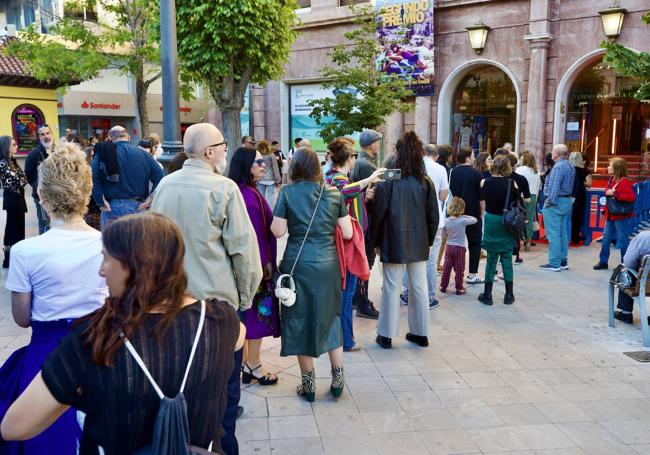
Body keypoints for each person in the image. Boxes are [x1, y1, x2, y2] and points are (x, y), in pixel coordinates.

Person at [1, 213, 245, 454]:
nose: (101, 271)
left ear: (131, 267)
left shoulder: (94, 340)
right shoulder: (220, 320)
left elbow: (14, 427)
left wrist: (80, 390)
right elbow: (239, 340)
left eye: (106, 259)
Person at [150, 123, 262, 454]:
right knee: (224, 396)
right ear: (209, 151)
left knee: (179, 385)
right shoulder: (224, 188)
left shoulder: (165, 186)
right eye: (223, 145)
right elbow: (245, 253)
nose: (227, 150)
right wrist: (243, 300)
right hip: (216, 308)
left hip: (170, 306)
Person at [0, 144, 108, 454]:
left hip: (47, 354)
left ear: (43, 198)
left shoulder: (25, 251)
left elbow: (22, 318)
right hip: (100, 351)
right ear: (86, 194)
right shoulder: (109, 243)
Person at [271, 146, 353, 401]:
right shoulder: (333, 193)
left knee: (298, 320)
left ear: (294, 167)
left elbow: (278, 231)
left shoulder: (287, 193)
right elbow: (348, 233)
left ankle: (308, 386)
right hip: (328, 264)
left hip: (298, 264)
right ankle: (338, 379)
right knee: (331, 317)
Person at [372, 131, 438, 349]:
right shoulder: (425, 181)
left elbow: (379, 211)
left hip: (392, 240)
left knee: (391, 287)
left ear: (399, 154)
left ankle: (387, 335)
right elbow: (433, 215)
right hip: (419, 241)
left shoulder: (390, 180)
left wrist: (375, 240)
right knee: (419, 286)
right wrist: (428, 240)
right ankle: (421, 333)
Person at [324, 137, 384, 351]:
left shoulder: (334, 176)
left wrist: (363, 194)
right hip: (347, 241)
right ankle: (346, 341)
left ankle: (343, 338)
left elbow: (348, 196)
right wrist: (368, 180)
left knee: (347, 292)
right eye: (353, 156)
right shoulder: (338, 179)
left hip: (344, 239)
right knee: (347, 292)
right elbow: (343, 193)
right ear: (349, 158)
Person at [228, 147, 280, 386]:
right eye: (258, 162)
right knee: (257, 316)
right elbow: (255, 236)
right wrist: (266, 262)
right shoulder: (248, 196)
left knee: (248, 316)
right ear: (246, 165)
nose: (263, 165)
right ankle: (254, 365)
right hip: (256, 269)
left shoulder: (246, 191)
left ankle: (247, 364)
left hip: (249, 267)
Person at [401, 143, 449, 308]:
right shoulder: (440, 169)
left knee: (409, 256)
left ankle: (407, 294)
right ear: (436, 156)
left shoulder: (412, 167)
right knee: (430, 260)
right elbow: (443, 196)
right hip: (433, 219)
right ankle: (428, 297)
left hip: (411, 218)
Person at [91, 125, 163, 228]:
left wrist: (100, 200)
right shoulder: (144, 154)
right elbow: (159, 175)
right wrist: (151, 198)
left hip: (111, 206)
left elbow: (94, 175)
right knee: (136, 242)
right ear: (128, 137)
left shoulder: (103, 153)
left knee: (110, 242)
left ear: (110, 138)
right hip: (137, 205)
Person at [350, 128, 384, 319]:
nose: (378, 145)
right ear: (372, 145)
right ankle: (362, 302)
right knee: (366, 262)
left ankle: (358, 299)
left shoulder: (362, 162)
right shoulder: (366, 165)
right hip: (366, 220)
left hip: (363, 218)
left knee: (364, 261)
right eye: (377, 142)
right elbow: (373, 194)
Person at [478, 155, 520, 305]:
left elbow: (482, 205)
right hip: (506, 222)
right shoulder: (512, 183)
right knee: (507, 259)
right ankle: (509, 295)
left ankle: (487, 295)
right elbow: (518, 203)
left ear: (493, 165)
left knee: (491, 259)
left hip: (491, 221)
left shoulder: (485, 182)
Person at [449, 148, 484, 284]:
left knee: (457, 243)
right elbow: (481, 197)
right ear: (468, 158)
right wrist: (482, 212)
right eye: (473, 155)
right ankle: (472, 274)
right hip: (473, 214)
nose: (474, 158)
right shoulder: (477, 174)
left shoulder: (453, 172)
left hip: (456, 213)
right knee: (475, 244)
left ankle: (458, 273)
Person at [593, 157, 636, 270]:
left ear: (616, 168)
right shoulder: (612, 179)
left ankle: (626, 263)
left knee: (622, 239)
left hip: (620, 216)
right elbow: (609, 193)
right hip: (612, 213)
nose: (608, 167)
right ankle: (603, 261)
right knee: (606, 238)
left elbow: (631, 197)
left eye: (610, 165)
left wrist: (615, 193)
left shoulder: (624, 182)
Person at [540, 144, 575, 272]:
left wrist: (549, 203)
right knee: (562, 233)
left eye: (553, 151)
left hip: (556, 202)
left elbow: (554, 189)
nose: (551, 152)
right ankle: (562, 261)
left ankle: (554, 262)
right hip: (566, 201)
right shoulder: (570, 165)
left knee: (553, 234)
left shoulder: (558, 167)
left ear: (558, 153)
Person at [440, 197, 477, 295]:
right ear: (462, 208)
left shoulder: (446, 221)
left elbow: (443, 235)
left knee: (446, 268)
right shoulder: (462, 220)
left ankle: (443, 286)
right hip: (460, 248)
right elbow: (475, 220)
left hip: (449, 247)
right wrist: (464, 216)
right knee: (459, 269)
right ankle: (459, 288)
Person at [0, 136, 28, 268]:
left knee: (19, 229)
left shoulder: (13, 161)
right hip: (12, 200)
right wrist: (21, 179)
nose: (17, 146)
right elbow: (20, 181)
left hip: (18, 199)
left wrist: (21, 179)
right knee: (12, 229)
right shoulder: (3, 163)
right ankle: (9, 259)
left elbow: (24, 179)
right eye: (14, 144)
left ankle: (17, 257)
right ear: (7, 147)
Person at [499, 151, 530, 265]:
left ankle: (501, 256)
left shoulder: (498, 178)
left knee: (501, 233)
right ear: (514, 165)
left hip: (500, 208)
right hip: (515, 210)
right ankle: (515, 255)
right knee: (515, 232)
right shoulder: (521, 179)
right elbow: (527, 199)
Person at [613, 231, 650, 324]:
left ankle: (626, 313)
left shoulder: (644, 237)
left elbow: (628, 262)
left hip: (643, 284)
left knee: (626, 271)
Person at [24, 124, 54, 234]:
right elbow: (29, 175)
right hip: (42, 197)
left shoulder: (59, 151)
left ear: (52, 134)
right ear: (39, 137)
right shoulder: (33, 154)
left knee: (58, 223)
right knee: (45, 224)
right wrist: (40, 188)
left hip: (58, 195)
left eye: (47, 133)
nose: (46, 136)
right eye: (42, 134)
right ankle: (45, 249)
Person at [516, 151, 542, 251]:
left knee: (519, 217)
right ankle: (529, 242)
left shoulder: (520, 169)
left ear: (525, 160)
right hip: (533, 196)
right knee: (529, 219)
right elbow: (538, 186)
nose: (520, 160)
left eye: (521, 158)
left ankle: (520, 240)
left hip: (522, 195)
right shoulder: (536, 171)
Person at [569, 151, 592, 245]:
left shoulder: (569, 170)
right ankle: (575, 237)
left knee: (569, 217)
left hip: (571, 195)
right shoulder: (585, 171)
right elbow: (589, 184)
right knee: (577, 217)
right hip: (580, 195)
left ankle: (569, 236)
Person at [256, 140, 282, 209]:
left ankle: (261, 211)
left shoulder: (258, 155)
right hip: (271, 180)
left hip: (260, 178)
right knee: (271, 198)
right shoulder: (271, 155)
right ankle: (270, 211)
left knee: (260, 197)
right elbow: (275, 168)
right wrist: (278, 179)